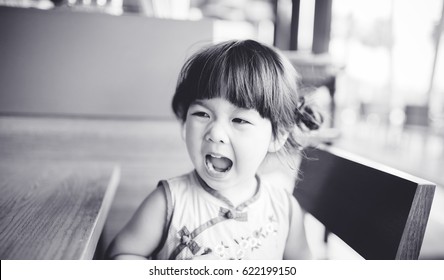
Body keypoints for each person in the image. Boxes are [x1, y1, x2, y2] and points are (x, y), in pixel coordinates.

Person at [106, 39, 322, 260]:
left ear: (277, 135)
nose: (215, 133)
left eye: (239, 120)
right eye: (202, 114)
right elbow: (121, 255)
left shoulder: (284, 209)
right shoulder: (169, 202)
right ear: (183, 122)